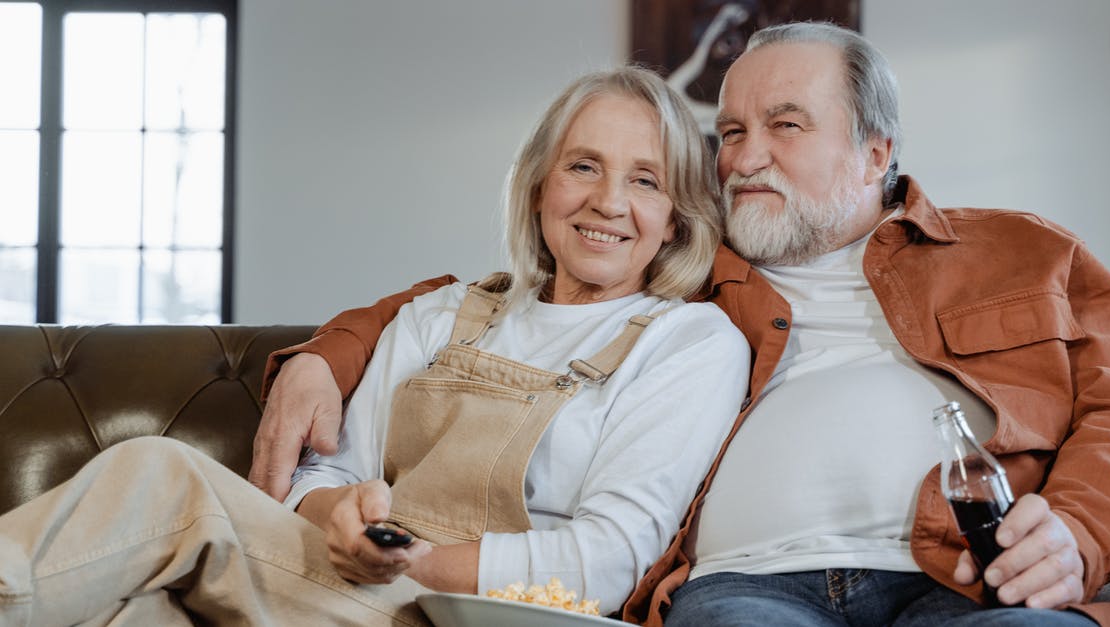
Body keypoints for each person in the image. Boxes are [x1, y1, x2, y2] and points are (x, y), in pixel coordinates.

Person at [249, 22, 1110, 627]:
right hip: (747, 589)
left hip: (964, 586)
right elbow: (502, 294)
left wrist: (1080, 536)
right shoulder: (686, 268)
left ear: (875, 151)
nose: (746, 157)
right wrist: (326, 356)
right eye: (730, 132)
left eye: (784, 125)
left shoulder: (1026, 252)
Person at [0, 67, 751, 626]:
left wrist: (415, 563)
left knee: (162, 474)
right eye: (583, 165)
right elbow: (319, 475)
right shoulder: (442, 314)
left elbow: (603, 563)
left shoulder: (688, 344)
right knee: (136, 614)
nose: (608, 201)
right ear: (538, 188)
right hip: (346, 589)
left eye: (645, 180)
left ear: (676, 219)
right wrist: (341, 520)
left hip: (486, 617)